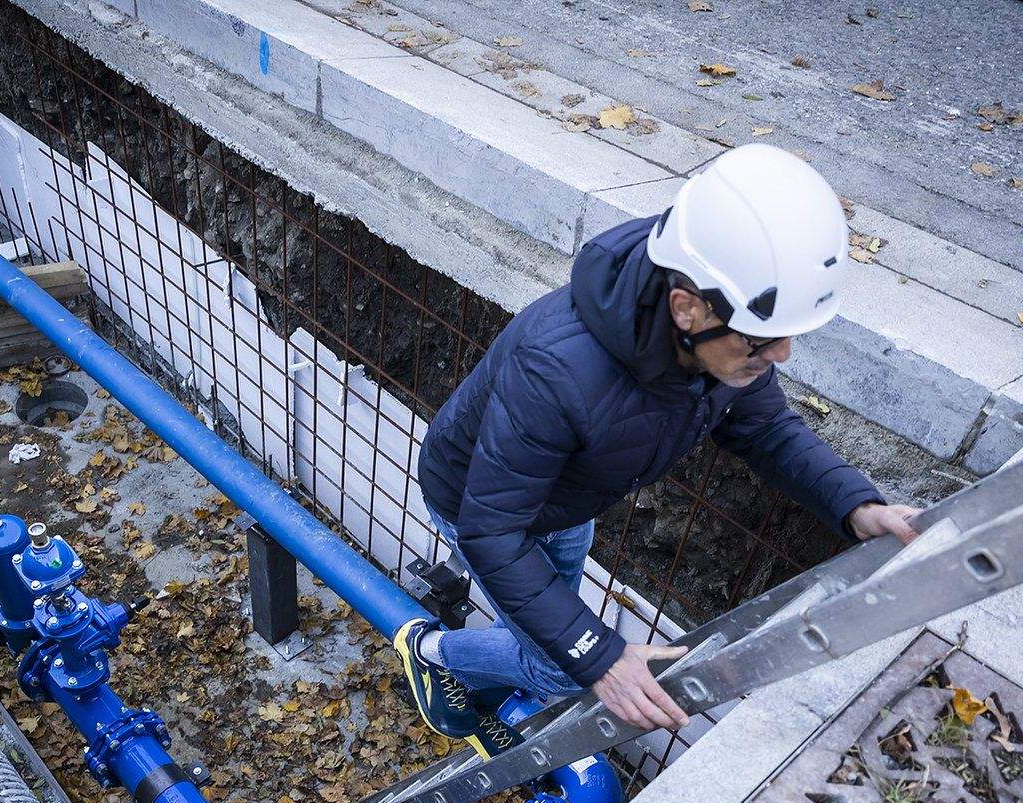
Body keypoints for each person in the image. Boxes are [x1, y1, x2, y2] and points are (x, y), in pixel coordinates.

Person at [392, 144, 921, 743]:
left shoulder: (717, 337)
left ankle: (501, 653)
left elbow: (767, 427)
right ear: (688, 309)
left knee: (551, 627)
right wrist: (599, 657)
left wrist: (856, 505)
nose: (781, 356)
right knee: (560, 667)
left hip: (566, 501)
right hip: (479, 504)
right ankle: (432, 652)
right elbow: (492, 532)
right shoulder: (555, 370)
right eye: (761, 341)